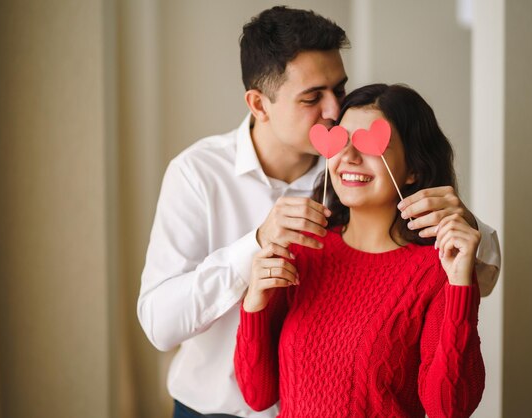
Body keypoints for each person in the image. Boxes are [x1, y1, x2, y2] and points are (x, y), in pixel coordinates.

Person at [138, 7, 499, 418]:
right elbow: (159, 324)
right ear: (259, 104)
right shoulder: (198, 173)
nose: (332, 113)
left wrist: (464, 231)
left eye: (339, 91)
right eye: (312, 97)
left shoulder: (350, 171)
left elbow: (469, 276)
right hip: (213, 407)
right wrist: (255, 247)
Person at [235, 83, 485, 418]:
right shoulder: (302, 248)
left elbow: (449, 409)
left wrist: (459, 286)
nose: (350, 157)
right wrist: (254, 303)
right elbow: (257, 395)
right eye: (341, 140)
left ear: (414, 168)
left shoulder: (439, 270)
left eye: (372, 144)